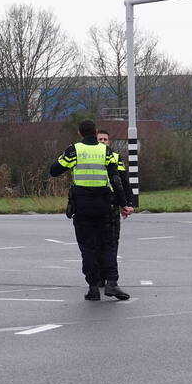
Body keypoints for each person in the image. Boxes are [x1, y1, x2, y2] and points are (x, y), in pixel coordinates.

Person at [50, 119, 133, 301]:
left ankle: (93, 288)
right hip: (104, 206)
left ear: (80, 133)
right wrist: (124, 204)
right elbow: (116, 180)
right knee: (108, 245)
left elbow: (54, 170)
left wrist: (66, 155)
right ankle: (112, 283)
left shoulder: (74, 150)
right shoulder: (106, 151)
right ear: (95, 133)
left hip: (82, 207)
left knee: (88, 247)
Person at [97, 129, 137, 290]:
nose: (102, 141)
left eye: (105, 139)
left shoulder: (115, 157)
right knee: (97, 243)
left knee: (112, 242)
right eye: (99, 139)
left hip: (112, 204)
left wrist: (128, 203)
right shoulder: (88, 156)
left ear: (109, 142)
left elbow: (123, 181)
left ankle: (108, 277)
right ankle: (100, 277)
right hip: (96, 204)